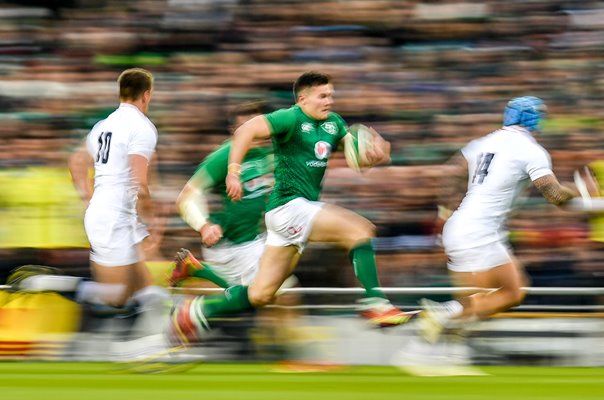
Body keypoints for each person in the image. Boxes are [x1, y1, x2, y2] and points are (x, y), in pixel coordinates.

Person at [168, 71, 417, 346]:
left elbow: (357, 159)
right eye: (323, 96)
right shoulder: (291, 118)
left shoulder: (334, 123)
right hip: (288, 208)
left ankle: (196, 312)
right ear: (303, 99)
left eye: (331, 95)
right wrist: (233, 173)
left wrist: (374, 156)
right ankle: (377, 304)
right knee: (359, 230)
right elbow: (245, 131)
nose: (329, 101)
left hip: (281, 220)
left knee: (263, 294)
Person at [419, 96, 583, 343]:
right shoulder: (532, 150)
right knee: (494, 297)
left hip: (464, 227)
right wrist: (578, 190)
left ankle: (441, 347)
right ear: (534, 119)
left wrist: (445, 212)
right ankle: (443, 316)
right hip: (479, 232)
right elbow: (555, 195)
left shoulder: (484, 141)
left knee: (502, 293)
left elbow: (452, 172)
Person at [21, 68, 169, 340]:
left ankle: (157, 345)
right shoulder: (142, 128)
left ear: (121, 92)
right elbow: (140, 184)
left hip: (112, 213)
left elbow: (76, 162)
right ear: (147, 95)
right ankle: (47, 283)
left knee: (145, 287)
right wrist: (150, 219)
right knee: (115, 297)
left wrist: (89, 196)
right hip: (115, 217)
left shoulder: (103, 125)